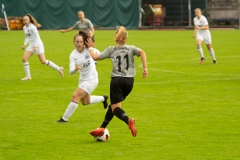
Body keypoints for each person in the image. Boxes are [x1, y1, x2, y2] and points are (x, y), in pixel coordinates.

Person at [86, 26, 148, 137]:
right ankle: (102, 128)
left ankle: (128, 121)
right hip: (129, 82)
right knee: (114, 105)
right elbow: (142, 52)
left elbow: (95, 57)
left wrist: (90, 47)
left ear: (115, 38)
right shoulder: (131, 48)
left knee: (115, 108)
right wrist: (145, 68)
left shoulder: (111, 49)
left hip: (117, 81)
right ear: (126, 39)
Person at [57, 30, 108, 123]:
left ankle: (64, 119)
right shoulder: (73, 55)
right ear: (74, 42)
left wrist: (95, 60)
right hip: (82, 79)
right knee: (85, 102)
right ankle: (103, 98)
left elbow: (100, 55)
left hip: (92, 80)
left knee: (75, 96)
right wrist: (76, 69)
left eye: (81, 41)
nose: (79, 43)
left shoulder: (88, 50)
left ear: (83, 42)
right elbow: (71, 71)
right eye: (77, 42)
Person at [21, 14, 63, 80]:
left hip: (38, 44)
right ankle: (28, 76)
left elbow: (37, 37)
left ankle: (59, 68)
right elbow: (27, 36)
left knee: (43, 61)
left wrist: (35, 46)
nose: (25, 21)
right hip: (31, 45)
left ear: (29, 20)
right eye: (24, 20)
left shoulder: (32, 27)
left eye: (26, 20)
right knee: (24, 58)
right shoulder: (24, 28)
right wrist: (24, 44)